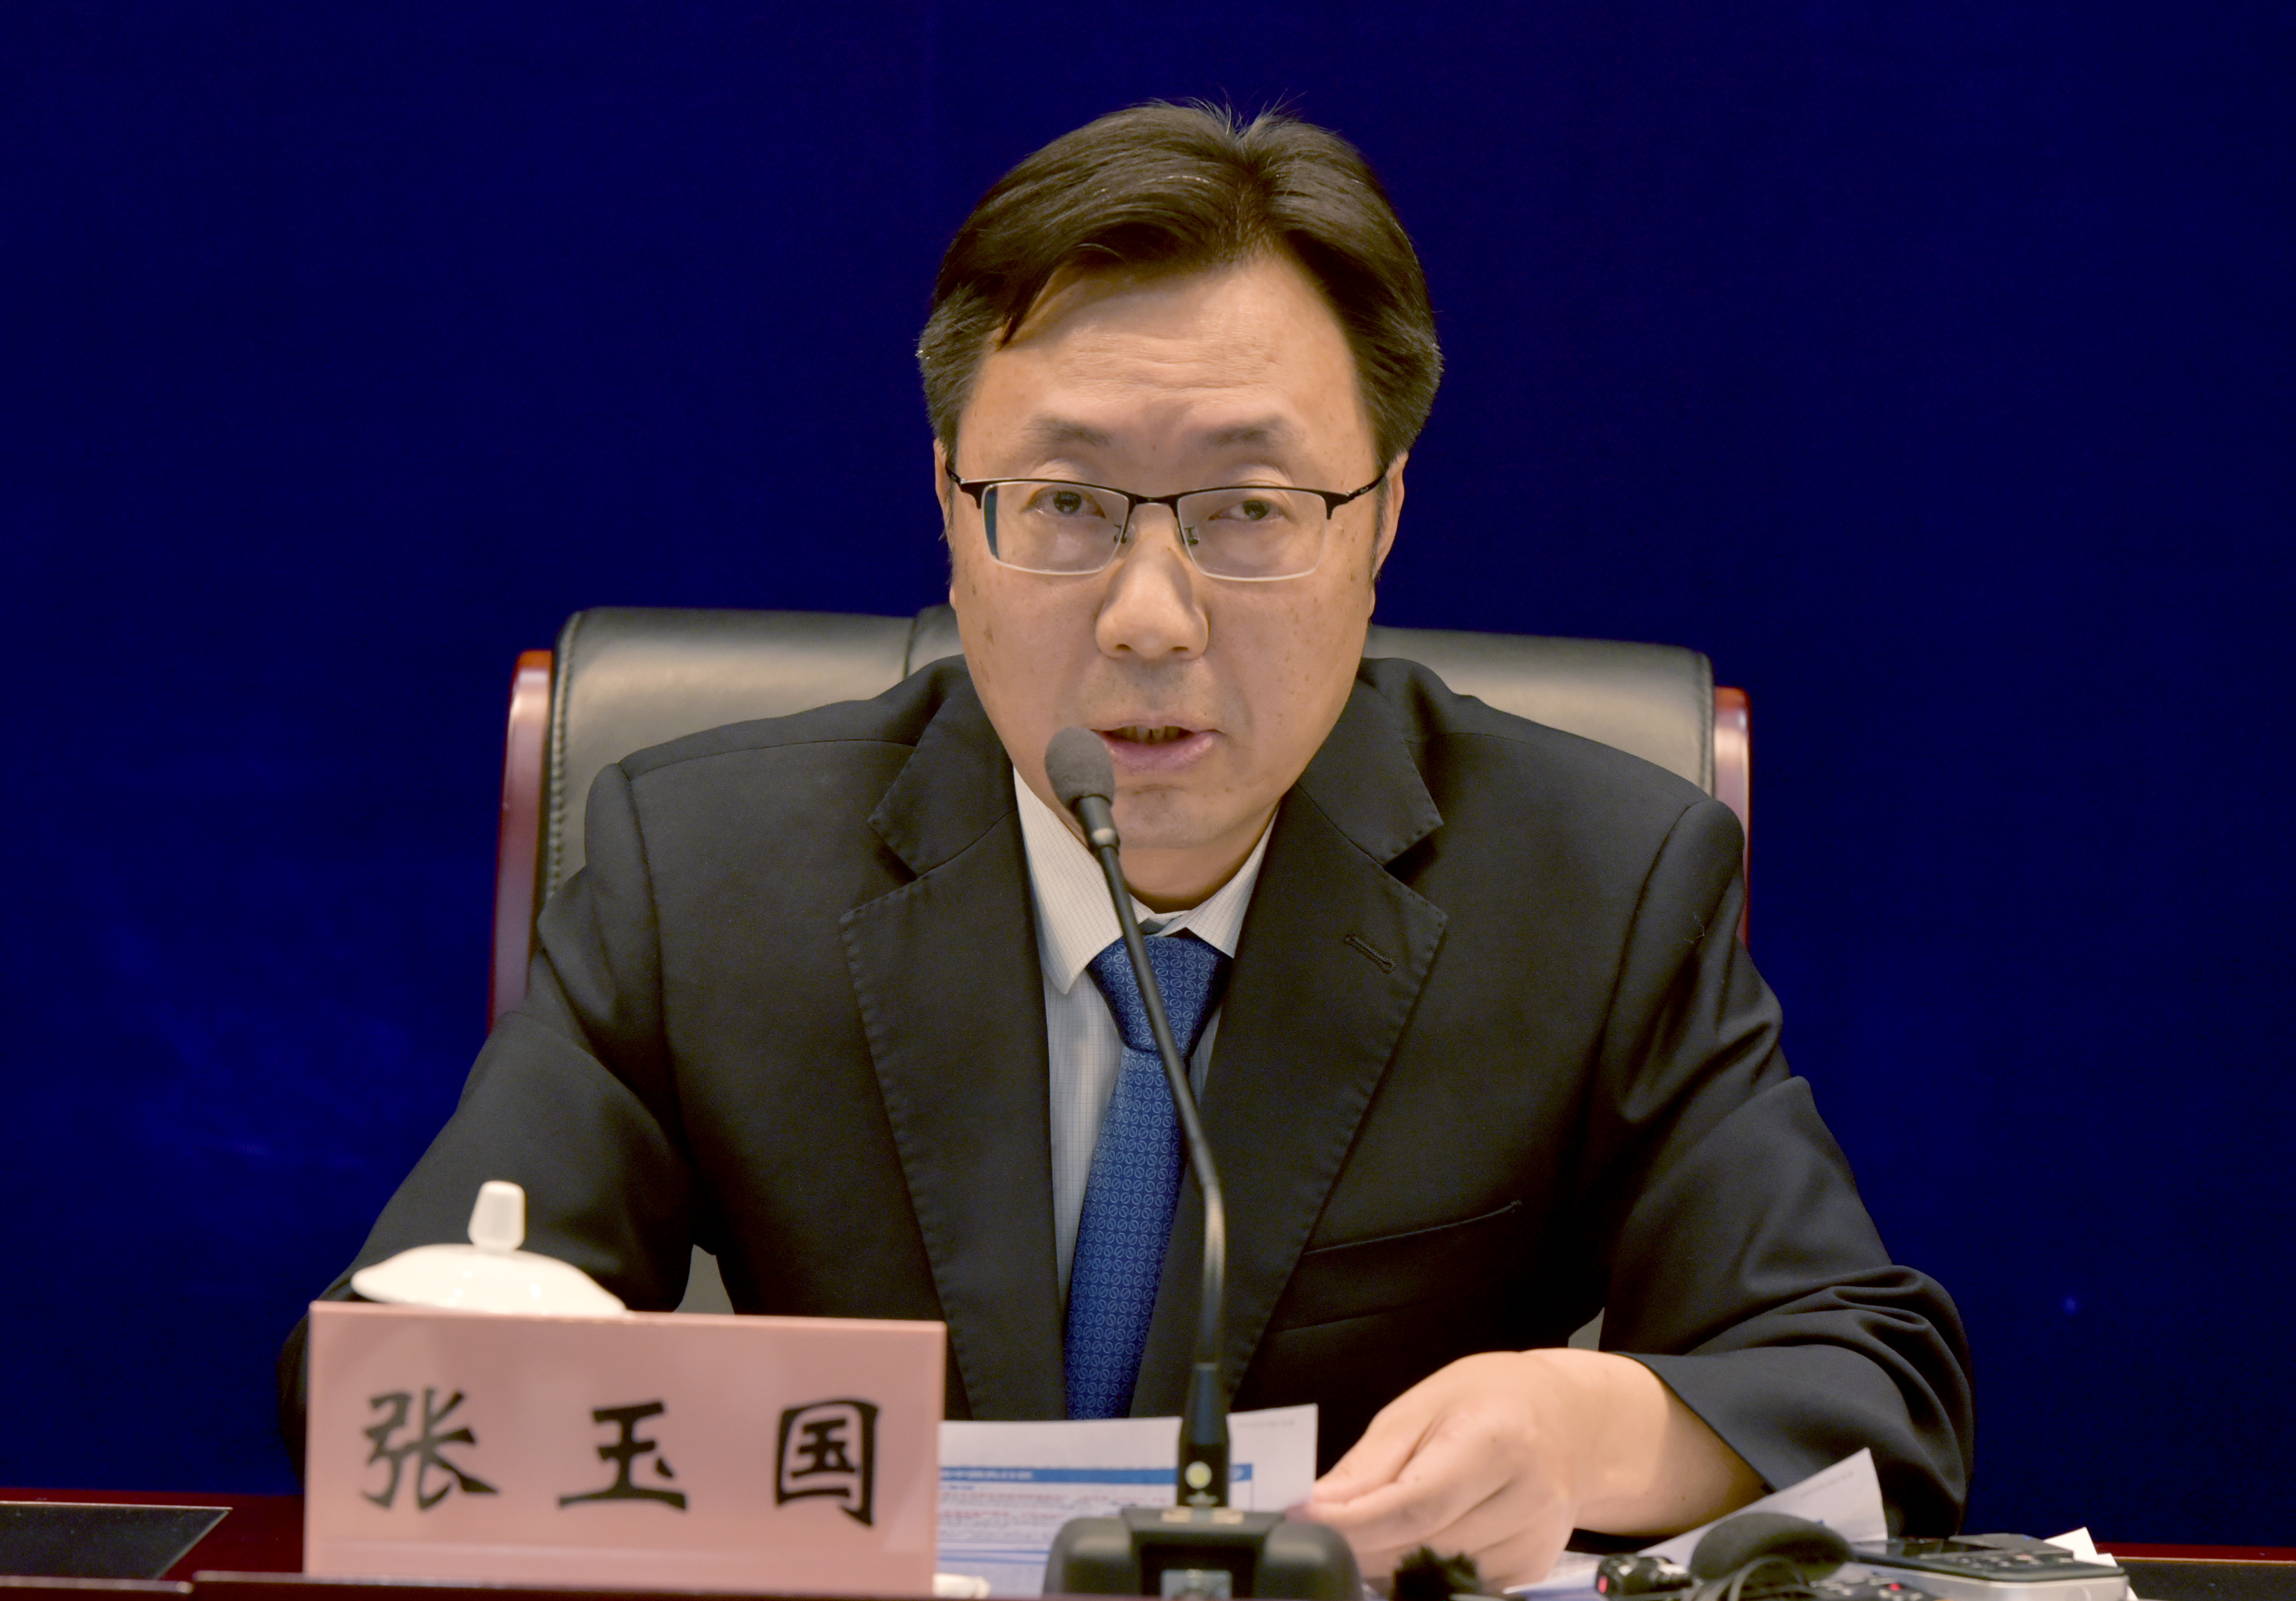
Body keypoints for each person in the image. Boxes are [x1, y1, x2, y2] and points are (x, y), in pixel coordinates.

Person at [282, 103, 1973, 1584]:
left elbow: (1870, 1388)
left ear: (1383, 517)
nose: (1150, 618)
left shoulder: (1593, 885)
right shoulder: (706, 871)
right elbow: (380, 1392)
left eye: (1249, 511)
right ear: (954, 513)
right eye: (1068, 506)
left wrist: (1579, 1427)